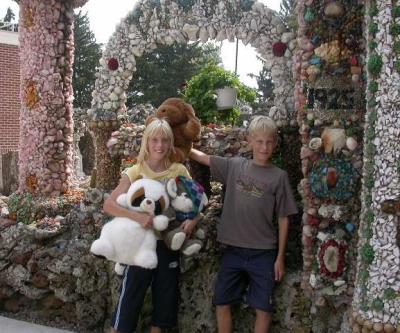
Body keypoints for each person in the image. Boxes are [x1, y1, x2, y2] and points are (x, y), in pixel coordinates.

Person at [189, 115, 298, 333]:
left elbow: (284, 217)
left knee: (263, 309)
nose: (264, 147)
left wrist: (280, 258)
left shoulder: (279, 177)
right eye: (259, 141)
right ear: (250, 141)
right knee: (222, 302)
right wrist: (181, 141)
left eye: (269, 142)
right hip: (233, 250)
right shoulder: (235, 166)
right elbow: (203, 158)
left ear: (275, 143)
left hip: (264, 253)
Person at [103, 118, 199, 333]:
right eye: (154, 140)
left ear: (171, 143)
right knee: (128, 303)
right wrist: (137, 218)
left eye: (165, 140)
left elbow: (197, 202)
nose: (160, 145)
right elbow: (108, 205)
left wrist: (193, 219)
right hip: (139, 248)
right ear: (146, 143)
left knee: (164, 306)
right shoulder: (135, 172)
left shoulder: (179, 171)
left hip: (169, 246)